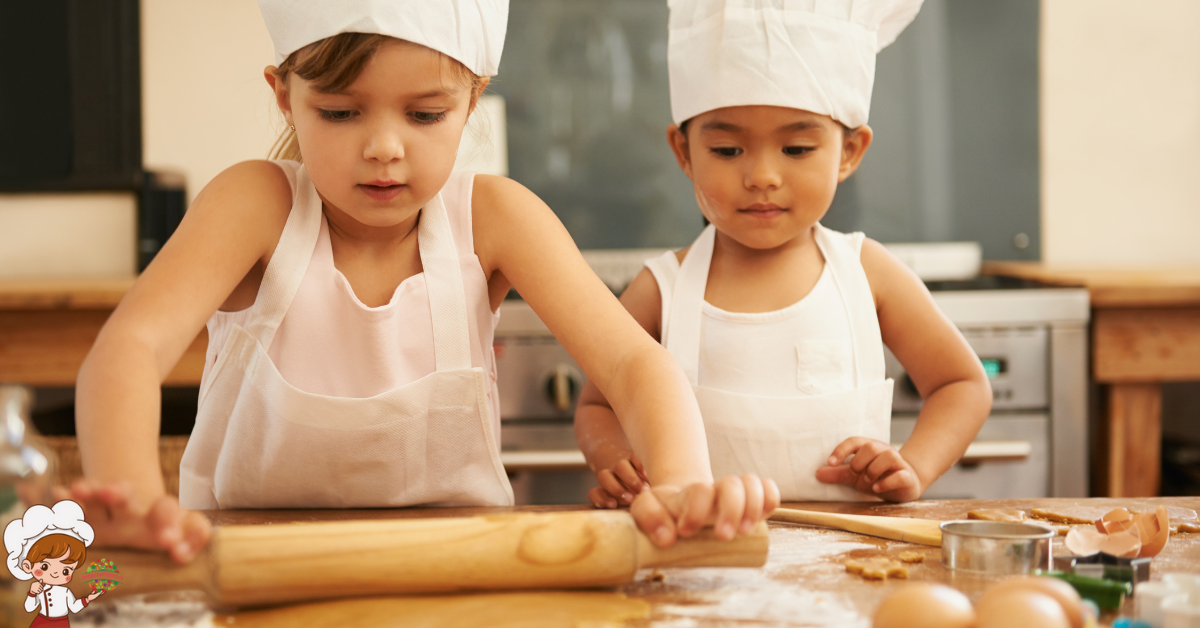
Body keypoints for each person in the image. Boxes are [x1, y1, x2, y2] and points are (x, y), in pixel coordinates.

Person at [71, 0, 778, 562]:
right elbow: (129, 351)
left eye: (425, 114)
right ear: (284, 96)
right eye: (341, 112)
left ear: (473, 101)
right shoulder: (257, 207)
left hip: (458, 574)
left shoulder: (493, 218)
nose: (384, 146)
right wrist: (131, 498)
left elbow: (632, 363)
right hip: (251, 573)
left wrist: (683, 482)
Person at [576, 0, 993, 508]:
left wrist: (914, 465)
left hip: (847, 566)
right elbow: (597, 404)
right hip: (704, 563)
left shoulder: (868, 274)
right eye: (728, 151)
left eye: (796, 150)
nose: (762, 177)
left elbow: (962, 384)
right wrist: (614, 458)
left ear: (851, 151)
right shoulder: (662, 288)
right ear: (684, 152)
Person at [5, 501, 104, 626]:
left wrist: (88, 599)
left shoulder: (66, 592)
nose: (56, 573)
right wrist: (32, 593)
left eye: (66, 571)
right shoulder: (38, 590)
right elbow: (29, 608)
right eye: (45, 566)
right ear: (27, 566)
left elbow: (73, 607)